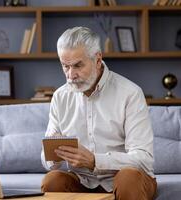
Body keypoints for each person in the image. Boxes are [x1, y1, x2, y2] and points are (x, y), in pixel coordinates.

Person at [40, 26, 157, 200]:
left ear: (97, 59)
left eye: (78, 65)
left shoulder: (130, 93)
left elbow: (144, 159)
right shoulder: (60, 97)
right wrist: (53, 156)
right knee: (52, 181)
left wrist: (95, 160)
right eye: (65, 66)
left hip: (128, 179)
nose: (71, 75)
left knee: (128, 179)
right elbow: (47, 161)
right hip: (83, 180)